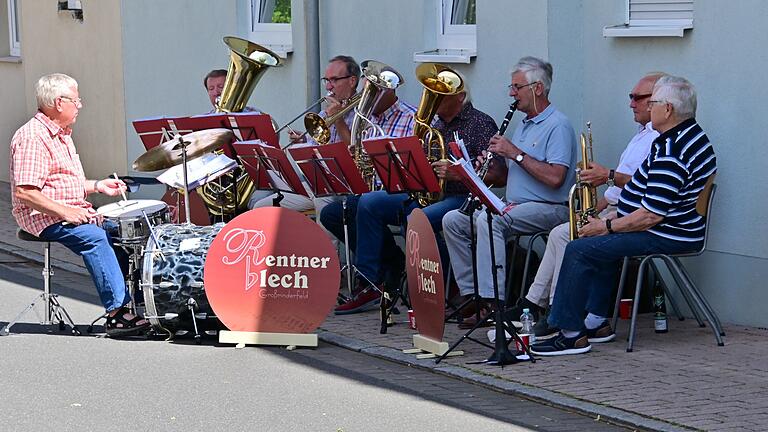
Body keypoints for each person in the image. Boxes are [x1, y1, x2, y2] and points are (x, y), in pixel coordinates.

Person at [531, 75, 717, 356]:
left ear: (667, 110)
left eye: (652, 102)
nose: (647, 108)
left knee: (580, 248)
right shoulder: (689, 135)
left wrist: (606, 225)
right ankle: (594, 321)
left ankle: (570, 333)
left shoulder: (672, 151)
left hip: (666, 233)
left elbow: (651, 216)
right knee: (599, 244)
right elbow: (647, 191)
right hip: (672, 226)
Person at [508, 72, 664, 339]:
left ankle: (561, 312)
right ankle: (535, 304)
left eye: (638, 98)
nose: (631, 103)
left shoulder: (656, 139)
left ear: (658, 102)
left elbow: (644, 184)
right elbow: (618, 190)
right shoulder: (641, 135)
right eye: (631, 97)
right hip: (621, 209)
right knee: (564, 230)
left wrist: (608, 176)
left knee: (565, 236)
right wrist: (596, 207)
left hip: (637, 216)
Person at [334, 85, 498, 314]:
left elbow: (497, 175)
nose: (435, 100)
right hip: (431, 193)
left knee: (416, 218)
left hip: (462, 196)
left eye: (442, 96)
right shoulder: (435, 125)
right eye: (434, 94)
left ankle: (443, 284)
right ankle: (370, 282)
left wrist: (457, 172)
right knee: (370, 202)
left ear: (460, 97)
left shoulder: (480, 123)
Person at [441, 56, 577, 328]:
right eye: (512, 87)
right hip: (516, 205)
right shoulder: (525, 123)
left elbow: (555, 178)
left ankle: (493, 302)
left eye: (517, 87)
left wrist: (514, 153)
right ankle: (472, 296)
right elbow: (509, 178)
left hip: (551, 208)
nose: (511, 93)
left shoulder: (558, 125)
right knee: (453, 220)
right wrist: (481, 170)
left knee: (490, 220)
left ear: (537, 88)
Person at [10, 73, 149, 337]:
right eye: (76, 99)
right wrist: (67, 212)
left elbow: (62, 181)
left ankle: (138, 303)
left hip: (68, 209)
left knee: (124, 233)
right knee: (95, 238)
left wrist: (98, 186)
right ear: (59, 102)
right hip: (42, 215)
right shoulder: (32, 137)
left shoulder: (62, 134)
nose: (81, 105)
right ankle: (117, 314)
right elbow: (26, 192)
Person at [319, 77, 418, 313]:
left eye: (372, 92)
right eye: (366, 92)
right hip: (373, 193)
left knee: (367, 203)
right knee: (332, 213)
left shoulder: (411, 116)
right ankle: (392, 262)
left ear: (389, 91)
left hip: (405, 193)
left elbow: (414, 164)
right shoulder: (367, 119)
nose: (367, 98)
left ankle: (368, 282)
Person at [249, 55, 362, 213]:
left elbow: (356, 150)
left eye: (334, 80)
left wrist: (338, 120)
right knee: (261, 207)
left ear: (352, 81)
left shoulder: (363, 113)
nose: (329, 87)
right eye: (326, 80)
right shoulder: (324, 113)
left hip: (346, 185)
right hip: (316, 183)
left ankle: (327, 239)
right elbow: (312, 149)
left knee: (323, 198)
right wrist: (302, 142)